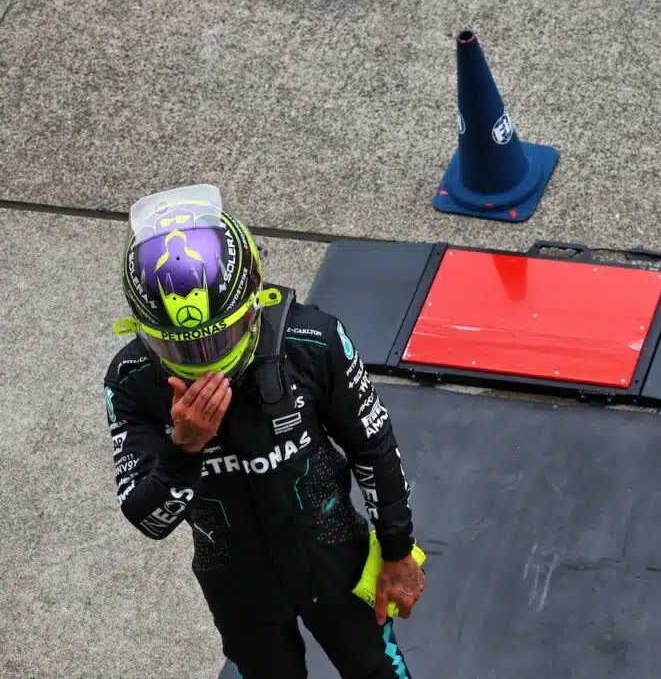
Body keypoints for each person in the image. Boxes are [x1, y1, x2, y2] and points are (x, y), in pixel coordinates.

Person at [103, 184, 425, 679]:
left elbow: (373, 445)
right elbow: (149, 519)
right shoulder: (131, 380)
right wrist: (184, 450)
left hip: (332, 555)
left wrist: (398, 549)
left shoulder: (312, 341)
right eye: (184, 350)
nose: (207, 363)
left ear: (254, 298)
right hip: (236, 581)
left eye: (218, 339)